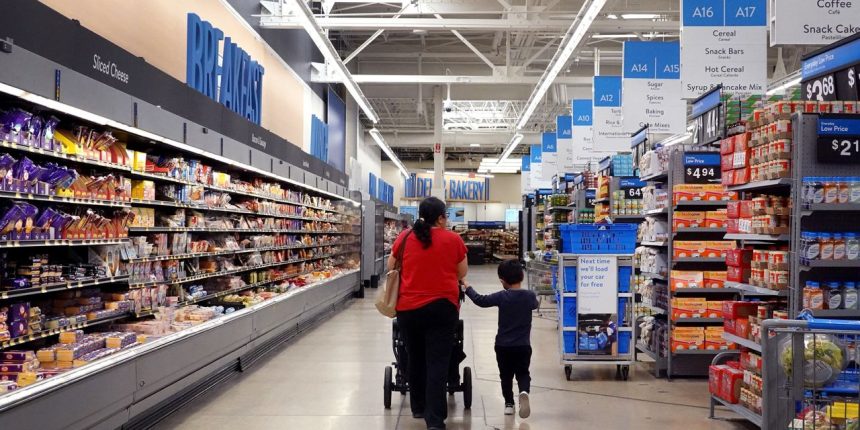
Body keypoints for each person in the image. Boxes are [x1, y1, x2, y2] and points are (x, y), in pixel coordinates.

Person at [389, 196, 467, 430]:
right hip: (442, 308)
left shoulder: (405, 237)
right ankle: (434, 420)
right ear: (441, 218)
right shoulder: (453, 239)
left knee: (415, 357)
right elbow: (461, 272)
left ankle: (418, 407)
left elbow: (391, 266)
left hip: (409, 309)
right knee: (437, 362)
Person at [462, 260, 538, 419]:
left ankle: (509, 404)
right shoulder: (529, 296)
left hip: (503, 346)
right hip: (523, 345)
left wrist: (467, 287)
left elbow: (481, 300)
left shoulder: (502, 296)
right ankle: (524, 392)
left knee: (506, 376)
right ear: (522, 276)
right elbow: (534, 305)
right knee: (523, 372)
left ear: (502, 280)